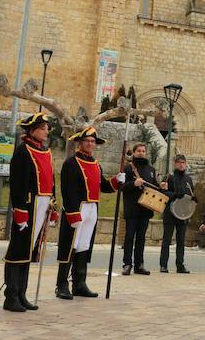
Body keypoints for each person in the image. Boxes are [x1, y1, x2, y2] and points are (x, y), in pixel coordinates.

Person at [55, 126, 124, 299]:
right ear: (80, 143)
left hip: (92, 208)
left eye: (93, 141)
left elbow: (103, 186)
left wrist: (116, 181)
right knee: (69, 246)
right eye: (87, 141)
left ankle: (80, 283)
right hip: (77, 208)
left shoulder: (95, 164)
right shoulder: (71, 163)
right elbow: (67, 190)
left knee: (84, 246)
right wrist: (72, 213)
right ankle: (62, 285)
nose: (90, 144)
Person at [3, 112, 59, 312]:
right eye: (43, 128)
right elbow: (17, 185)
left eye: (46, 128)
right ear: (32, 130)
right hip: (28, 207)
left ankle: (21, 293)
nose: (46, 131)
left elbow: (51, 181)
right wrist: (19, 210)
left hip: (42, 207)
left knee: (30, 251)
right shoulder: (23, 152)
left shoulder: (45, 152)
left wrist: (53, 205)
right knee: (18, 251)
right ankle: (11, 295)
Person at [121, 142, 160, 276]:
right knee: (129, 236)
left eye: (143, 151)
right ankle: (127, 264)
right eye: (139, 151)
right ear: (134, 152)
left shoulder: (151, 169)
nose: (141, 153)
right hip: (132, 209)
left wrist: (162, 186)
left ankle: (139, 265)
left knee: (141, 238)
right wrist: (134, 183)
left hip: (145, 209)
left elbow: (154, 187)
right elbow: (122, 187)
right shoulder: (127, 168)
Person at [160, 154, 196, 273]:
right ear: (175, 163)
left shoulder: (188, 179)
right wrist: (174, 195)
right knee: (167, 240)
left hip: (183, 213)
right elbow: (163, 194)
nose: (181, 165)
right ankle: (163, 265)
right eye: (179, 162)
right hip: (170, 213)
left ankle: (180, 265)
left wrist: (194, 199)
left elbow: (191, 195)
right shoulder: (169, 177)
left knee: (181, 241)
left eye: (183, 162)